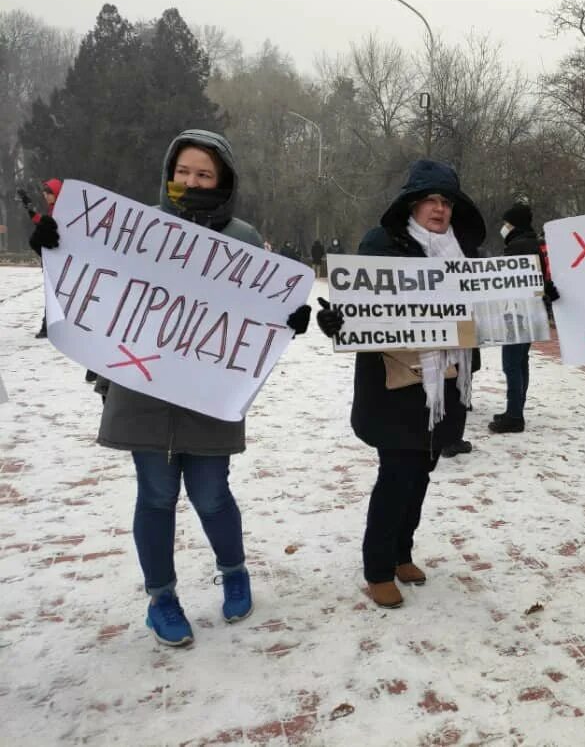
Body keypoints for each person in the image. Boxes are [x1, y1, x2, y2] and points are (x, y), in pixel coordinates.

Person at [31, 129, 312, 647]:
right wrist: (55, 246)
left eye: (204, 174)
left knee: (211, 494)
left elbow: (262, 310)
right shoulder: (136, 227)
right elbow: (93, 276)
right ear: (169, 174)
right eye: (183, 172)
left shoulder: (243, 239)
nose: (191, 181)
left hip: (209, 390)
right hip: (143, 387)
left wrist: (290, 317)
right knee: (156, 496)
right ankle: (162, 598)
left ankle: (234, 572)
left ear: (222, 181)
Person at [316, 159, 485, 610]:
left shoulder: (464, 250)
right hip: (393, 384)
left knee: (423, 471)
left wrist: (532, 299)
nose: (439, 208)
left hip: (445, 382)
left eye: (446, 201)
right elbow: (355, 307)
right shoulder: (382, 244)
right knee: (397, 474)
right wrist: (334, 321)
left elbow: (491, 302)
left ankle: (401, 552)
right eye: (430, 199)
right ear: (412, 204)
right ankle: (377, 567)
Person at [489, 194, 542, 434]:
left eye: (507, 223)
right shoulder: (532, 243)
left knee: (511, 364)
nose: (504, 227)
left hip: (517, 312)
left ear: (515, 224)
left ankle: (514, 416)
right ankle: (515, 409)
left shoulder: (518, 247)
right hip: (531, 311)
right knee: (521, 362)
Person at [26, 179, 62, 338]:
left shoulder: (61, 210)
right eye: (45, 192)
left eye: (49, 192)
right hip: (52, 259)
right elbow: (44, 225)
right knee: (53, 293)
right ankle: (48, 326)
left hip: (59, 260)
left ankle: (48, 327)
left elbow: (51, 226)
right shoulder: (52, 210)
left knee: (55, 294)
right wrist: (30, 210)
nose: (45, 195)